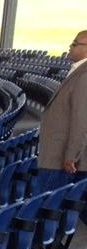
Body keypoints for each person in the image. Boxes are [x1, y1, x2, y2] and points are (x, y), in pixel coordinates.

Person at [36, 31, 87, 195]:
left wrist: (72, 156)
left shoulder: (84, 75)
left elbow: (81, 119)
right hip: (59, 156)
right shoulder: (78, 72)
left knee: (47, 208)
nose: (70, 47)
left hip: (60, 159)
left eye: (75, 43)